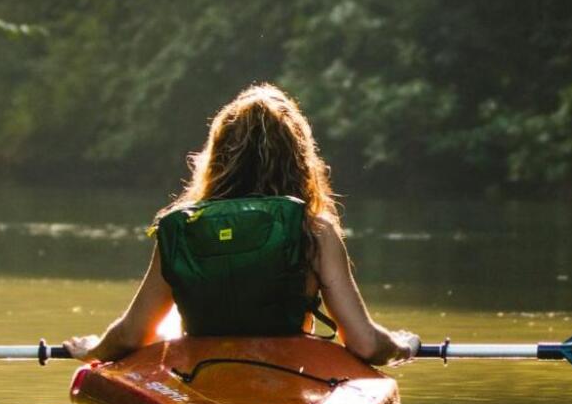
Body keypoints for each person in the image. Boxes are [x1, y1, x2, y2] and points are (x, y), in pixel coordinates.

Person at [64, 83, 416, 365]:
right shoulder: (315, 232)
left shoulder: (184, 229)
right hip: (290, 374)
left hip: (200, 376)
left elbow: (131, 335)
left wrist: (94, 351)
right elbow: (366, 345)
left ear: (217, 157)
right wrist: (402, 345)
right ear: (299, 160)